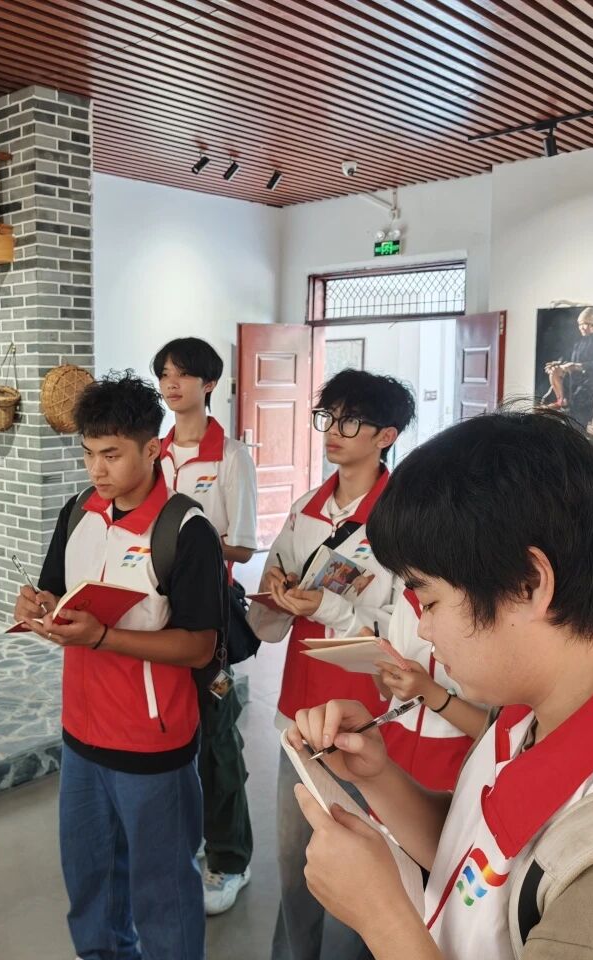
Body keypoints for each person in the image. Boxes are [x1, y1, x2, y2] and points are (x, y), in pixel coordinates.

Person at [287, 408, 593, 959]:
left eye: (430, 600)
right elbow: (481, 854)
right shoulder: (546, 702)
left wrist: (381, 918)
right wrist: (380, 778)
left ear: (528, 584)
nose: (423, 629)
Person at [13, 372, 226, 960]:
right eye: (88, 454)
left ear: (152, 449)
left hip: (151, 742)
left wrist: (105, 637)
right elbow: (56, 593)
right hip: (81, 736)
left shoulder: (186, 530)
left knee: (163, 892)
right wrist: (37, 606)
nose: (96, 470)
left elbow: (200, 647)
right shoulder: (77, 512)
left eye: (111, 454)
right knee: (90, 886)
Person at [250, 368, 425, 960]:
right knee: (296, 862)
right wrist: (277, 594)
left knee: (364, 865)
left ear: (386, 436)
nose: (333, 431)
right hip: (299, 712)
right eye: (329, 417)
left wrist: (327, 606)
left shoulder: (403, 520)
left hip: (369, 721)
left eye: (351, 421)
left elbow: (409, 635)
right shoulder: (307, 508)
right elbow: (268, 619)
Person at [154, 337, 258, 915]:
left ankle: (231, 859)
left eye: (183, 374)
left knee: (217, 740)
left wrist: (187, 545)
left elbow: (242, 545)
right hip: (156, 614)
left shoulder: (230, 456)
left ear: (209, 383)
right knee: (171, 735)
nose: (171, 384)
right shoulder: (156, 452)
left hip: (208, 617)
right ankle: (192, 835)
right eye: (164, 375)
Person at [540, 306, 593, 425]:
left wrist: (578, 366)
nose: (581, 327)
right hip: (577, 377)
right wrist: (559, 364)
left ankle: (575, 424)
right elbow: (572, 360)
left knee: (579, 396)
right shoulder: (581, 342)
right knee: (555, 371)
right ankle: (561, 401)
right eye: (580, 324)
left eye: (585, 324)